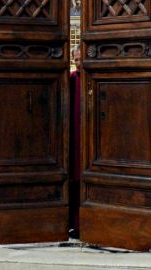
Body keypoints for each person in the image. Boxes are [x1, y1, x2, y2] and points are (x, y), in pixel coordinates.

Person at [69, 44, 81, 239]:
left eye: (80, 59)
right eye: (76, 59)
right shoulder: (72, 79)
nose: (78, 62)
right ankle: (73, 223)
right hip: (73, 131)